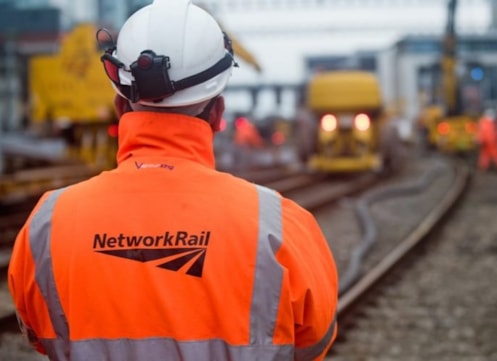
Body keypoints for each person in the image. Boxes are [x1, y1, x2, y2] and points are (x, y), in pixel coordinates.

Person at [7, 0, 338, 360]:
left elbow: (39, 334)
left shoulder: (46, 225)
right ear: (217, 112)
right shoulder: (282, 226)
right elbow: (314, 341)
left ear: (120, 107)